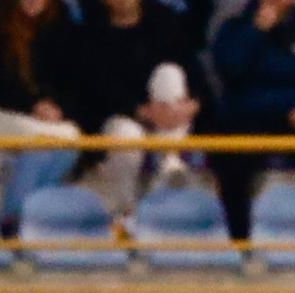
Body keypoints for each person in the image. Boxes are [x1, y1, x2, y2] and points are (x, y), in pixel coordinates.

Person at [70, 0, 207, 217]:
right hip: (120, 117)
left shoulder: (164, 20)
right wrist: (141, 112)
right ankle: (126, 211)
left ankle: (169, 161)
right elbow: (97, 90)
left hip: (166, 116)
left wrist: (193, 104)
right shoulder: (91, 33)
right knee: (127, 136)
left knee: (169, 74)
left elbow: (192, 68)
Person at [210, 0, 295, 235]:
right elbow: (230, 69)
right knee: (232, 155)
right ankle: (240, 239)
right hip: (247, 117)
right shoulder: (235, 26)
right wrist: (255, 31)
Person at [0, 0, 81, 226]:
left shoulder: (63, 26)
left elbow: (75, 83)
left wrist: (57, 108)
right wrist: (33, 105)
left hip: (45, 118)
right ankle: (12, 219)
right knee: (39, 141)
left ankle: (26, 213)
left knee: (72, 140)